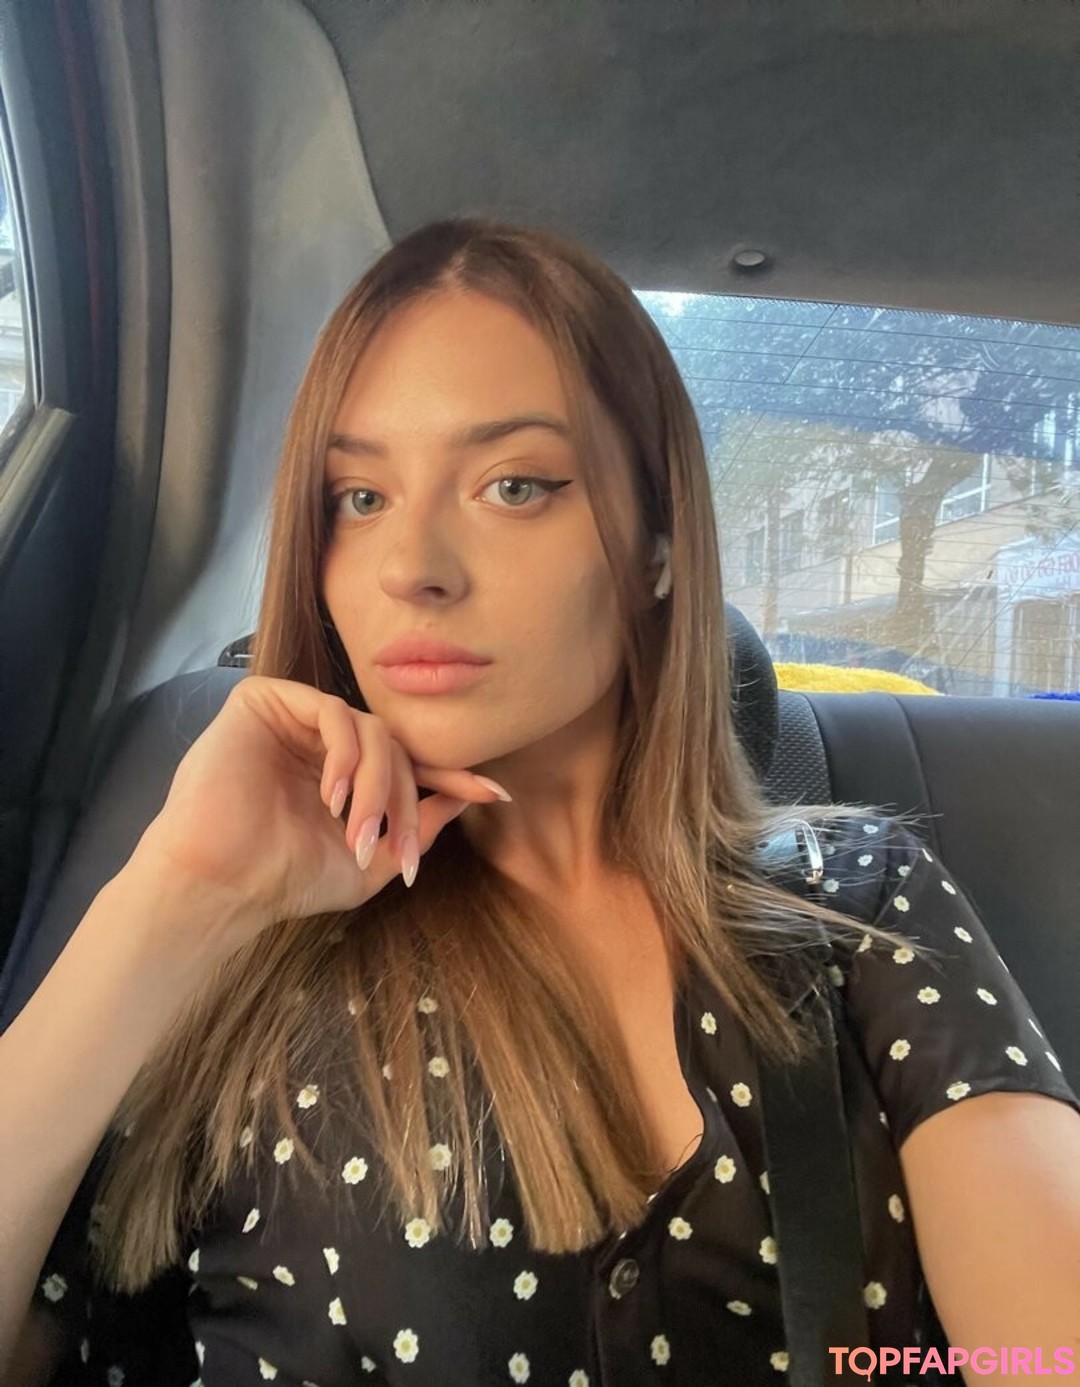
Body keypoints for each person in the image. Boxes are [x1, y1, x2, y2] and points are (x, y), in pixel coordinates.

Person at [2, 218, 1078, 1387]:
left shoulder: (857, 905)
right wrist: (176, 892)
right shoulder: (225, 952)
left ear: (659, 542)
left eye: (513, 486)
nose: (411, 565)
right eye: (358, 496)